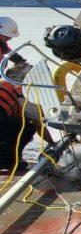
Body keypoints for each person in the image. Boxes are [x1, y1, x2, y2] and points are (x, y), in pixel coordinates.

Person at [0, 16, 37, 171]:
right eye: (7, 36)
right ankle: (7, 161)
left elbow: (9, 51)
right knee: (26, 127)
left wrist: (19, 59)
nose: (9, 39)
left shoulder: (2, 45)